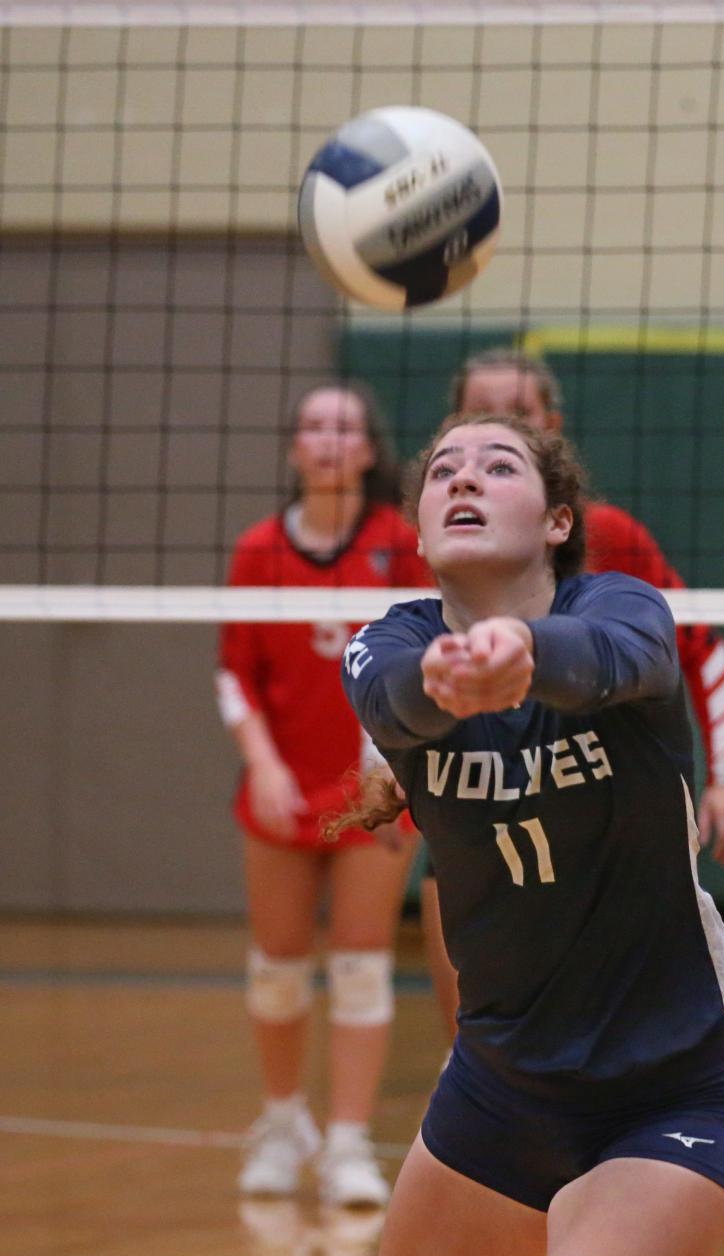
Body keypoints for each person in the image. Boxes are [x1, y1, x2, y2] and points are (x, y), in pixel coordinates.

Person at [335, 413, 724, 1256]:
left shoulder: (622, 608)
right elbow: (393, 698)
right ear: (415, 530)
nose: (464, 480)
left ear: (558, 520)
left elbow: (622, 657)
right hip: (502, 1085)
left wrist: (524, 656)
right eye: (444, 470)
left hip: (673, 1083)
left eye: (498, 467)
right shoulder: (385, 646)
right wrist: (453, 679)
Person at [423, 347, 724, 1040]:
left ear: (551, 424)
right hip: (472, 799)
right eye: (474, 413)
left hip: (597, 801)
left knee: (608, 1027)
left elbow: (704, 649)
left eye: (516, 414)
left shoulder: (613, 538)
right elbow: (398, 660)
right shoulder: (435, 536)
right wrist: (381, 770)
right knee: (478, 1031)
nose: (492, 429)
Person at [216, 380, 430, 1205]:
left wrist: (387, 761)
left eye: (345, 427)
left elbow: (412, 657)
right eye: (314, 426)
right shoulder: (257, 550)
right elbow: (234, 674)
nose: (329, 439)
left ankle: (345, 1144)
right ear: (295, 447)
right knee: (276, 968)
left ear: (369, 450)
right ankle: (281, 1123)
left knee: (362, 968)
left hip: (374, 787)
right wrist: (263, 764)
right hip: (281, 789)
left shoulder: (396, 543)